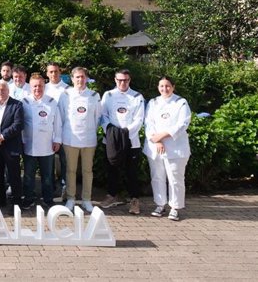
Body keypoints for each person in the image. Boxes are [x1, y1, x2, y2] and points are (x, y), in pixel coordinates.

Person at [143, 76, 191, 221]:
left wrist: (162, 136)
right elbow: (148, 123)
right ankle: (160, 204)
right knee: (157, 177)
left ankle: (175, 207)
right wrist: (155, 140)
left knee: (175, 178)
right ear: (158, 87)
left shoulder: (181, 102)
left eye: (168, 86)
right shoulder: (153, 102)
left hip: (176, 148)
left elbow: (182, 124)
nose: (165, 89)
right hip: (155, 147)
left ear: (173, 87)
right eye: (162, 86)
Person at [99, 69, 145, 215]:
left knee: (131, 172)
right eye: (119, 80)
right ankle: (112, 196)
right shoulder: (108, 95)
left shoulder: (137, 96)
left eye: (125, 80)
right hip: (111, 140)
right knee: (112, 169)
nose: (122, 83)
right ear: (115, 80)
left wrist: (124, 133)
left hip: (131, 141)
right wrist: (112, 131)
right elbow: (103, 116)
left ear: (129, 80)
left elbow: (139, 120)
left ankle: (134, 200)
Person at [59, 67, 101, 212]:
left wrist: (89, 131)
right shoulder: (65, 95)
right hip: (70, 138)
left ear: (87, 78)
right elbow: (62, 117)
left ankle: (86, 200)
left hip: (89, 140)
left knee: (87, 171)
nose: (80, 80)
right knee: (70, 170)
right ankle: (71, 199)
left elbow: (97, 118)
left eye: (82, 77)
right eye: (77, 77)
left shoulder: (94, 96)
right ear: (72, 79)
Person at [21, 73, 61, 208]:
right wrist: (21, 140)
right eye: (35, 86)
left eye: (40, 86)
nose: (37, 88)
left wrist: (57, 140)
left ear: (45, 86)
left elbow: (57, 123)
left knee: (48, 175)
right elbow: (20, 123)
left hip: (47, 144)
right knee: (28, 175)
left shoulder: (51, 102)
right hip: (29, 144)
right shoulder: (24, 102)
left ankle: (48, 198)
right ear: (30, 86)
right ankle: (29, 197)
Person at [0, 80, 24, 211]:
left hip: (10, 146)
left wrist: (2, 136)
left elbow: (18, 125)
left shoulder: (17, 105)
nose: (0, 92)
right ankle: (0, 200)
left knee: (14, 176)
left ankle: (16, 202)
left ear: (8, 91)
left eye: (3, 90)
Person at [44, 62, 69, 201]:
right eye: (51, 72)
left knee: (65, 161)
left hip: (64, 131)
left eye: (56, 71)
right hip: (47, 132)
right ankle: (51, 188)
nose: (53, 74)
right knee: (49, 162)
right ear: (47, 74)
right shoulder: (44, 88)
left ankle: (65, 186)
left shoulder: (67, 89)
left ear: (60, 72)